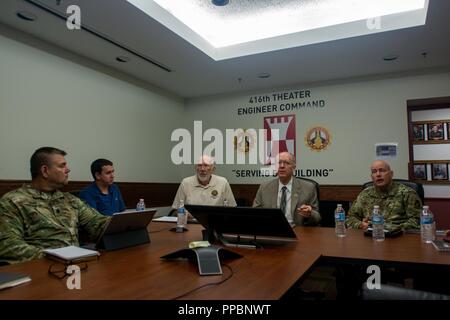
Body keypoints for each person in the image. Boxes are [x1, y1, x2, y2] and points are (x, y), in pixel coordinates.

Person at [0, 147, 110, 265]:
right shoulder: (13, 201)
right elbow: (8, 246)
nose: (68, 170)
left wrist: (124, 222)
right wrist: (55, 257)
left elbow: (97, 223)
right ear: (45, 171)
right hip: (40, 270)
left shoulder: (70, 200)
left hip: (75, 267)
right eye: (62, 166)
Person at [346, 160, 421, 231]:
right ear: (372, 176)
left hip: (399, 237)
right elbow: (350, 218)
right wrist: (360, 225)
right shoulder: (365, 194)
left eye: (382, 170)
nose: (378, 174)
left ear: (391, 174)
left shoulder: (407, 193)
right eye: (374, 172)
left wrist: (391, 228)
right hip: (372, 237)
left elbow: (417, 220)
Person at [253, 152, 321, 226]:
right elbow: (255, 213)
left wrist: (310, 214)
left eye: (286, 163)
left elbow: (317, 217)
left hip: (297, 231)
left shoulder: (308, 187)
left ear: (294, 166)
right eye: (279, 163)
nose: (282, 166)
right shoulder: (264, 187)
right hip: (271, 230)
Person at [172, 155, 237, 209]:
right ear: (195, 168)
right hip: (191, 222)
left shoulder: (223, 182)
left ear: (213, 169)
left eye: (206, 165)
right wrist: (185, 213)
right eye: (199, 165)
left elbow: (232, 208)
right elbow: (176, 208)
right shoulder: (186, 183)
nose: (202, 169)